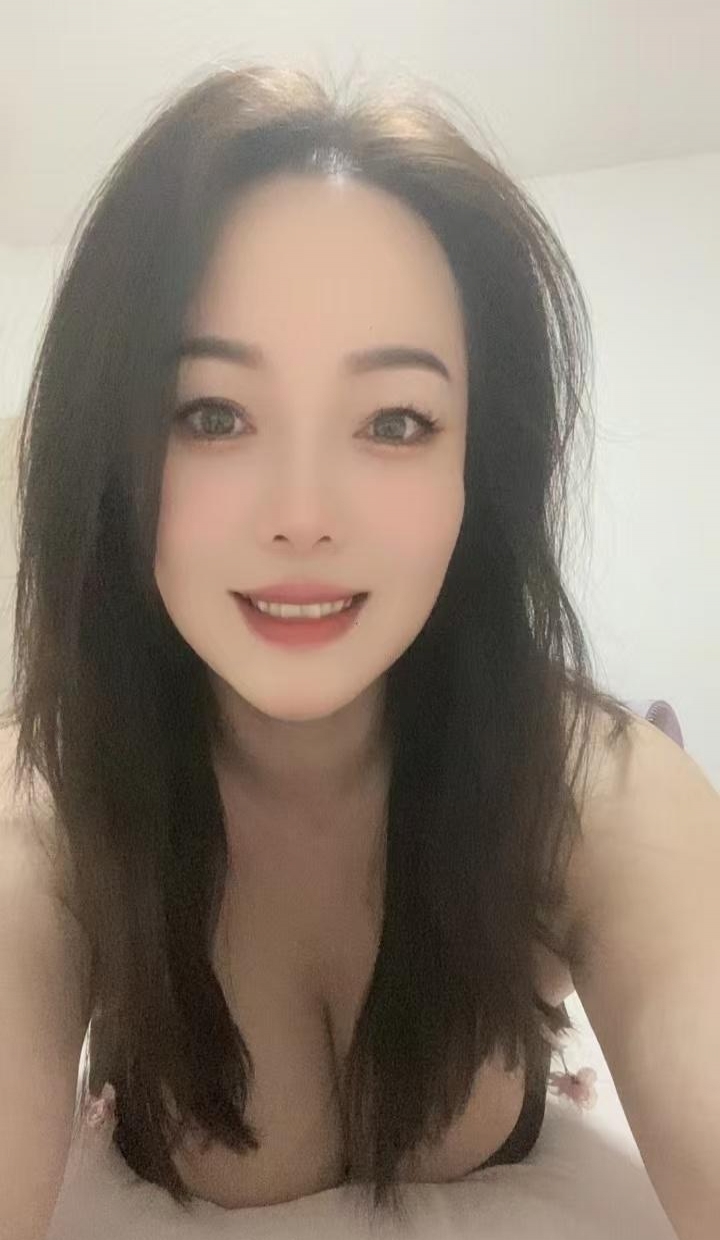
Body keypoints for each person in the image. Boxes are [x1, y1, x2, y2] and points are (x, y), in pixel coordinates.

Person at [0, 63, 636, 1231]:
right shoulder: (48, 807)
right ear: (112, 462)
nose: (301, 514)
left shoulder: (592, 781)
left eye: (395, 420)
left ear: (476, 473)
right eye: (211, 413)